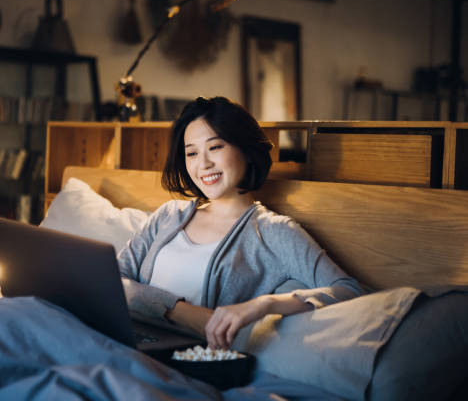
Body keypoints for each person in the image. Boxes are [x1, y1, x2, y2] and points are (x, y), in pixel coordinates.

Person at [117, 96, 365, 350]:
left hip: (182, 360)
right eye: (192, 152)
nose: (203, 164)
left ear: (245, 150)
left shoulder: (272, 231)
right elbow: (114, 280)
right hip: (122, 334)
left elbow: (348, 291)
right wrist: (179, 311)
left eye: (215, 147)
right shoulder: (168, 215)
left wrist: (264, 305)